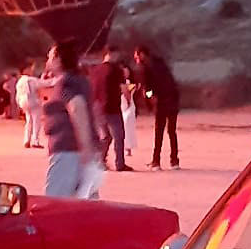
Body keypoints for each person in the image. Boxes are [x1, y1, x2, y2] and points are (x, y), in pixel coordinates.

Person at [43, 40, 99, 197]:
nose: (47, 61)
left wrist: (85, 145)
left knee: (55, 204)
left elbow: (77, 106)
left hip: (69, 151)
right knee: (84, 202)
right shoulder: (80, 81)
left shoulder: (65, 83)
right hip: (78, 150)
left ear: (59, 60)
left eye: (50, 57)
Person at [133, 44, 181, 169]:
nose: (135, 57)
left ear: (142, 54)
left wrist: (149, 98)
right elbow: (171, 82)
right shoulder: (162, 64)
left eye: (136, 55)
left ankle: (156, 161)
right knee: (172, 131)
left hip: (161, 102)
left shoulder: (145, 68)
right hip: (173, 101)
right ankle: (174, 161)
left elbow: (147, 88)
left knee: (159, 132)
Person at [94, 41, 131, 172]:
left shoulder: (96, 70)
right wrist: (129, 101)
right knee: (119, 136)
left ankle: (100, 161)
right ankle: (120, 164)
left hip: (97, 107)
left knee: (105, 137)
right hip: (112, 107)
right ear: (112, 54)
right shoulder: (116, 69)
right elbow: (124, 88)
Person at [15, 62, 45, 147]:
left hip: (23, 102)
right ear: (25, 70)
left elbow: (17, 95)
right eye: (30, 68)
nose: (32, 70)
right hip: (32, 101)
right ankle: (35, 141)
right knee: (36, 121)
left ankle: (26, 140)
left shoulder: (20, 81)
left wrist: (19, 105)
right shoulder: (30, 80)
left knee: (29, 121)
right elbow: (43, 84)